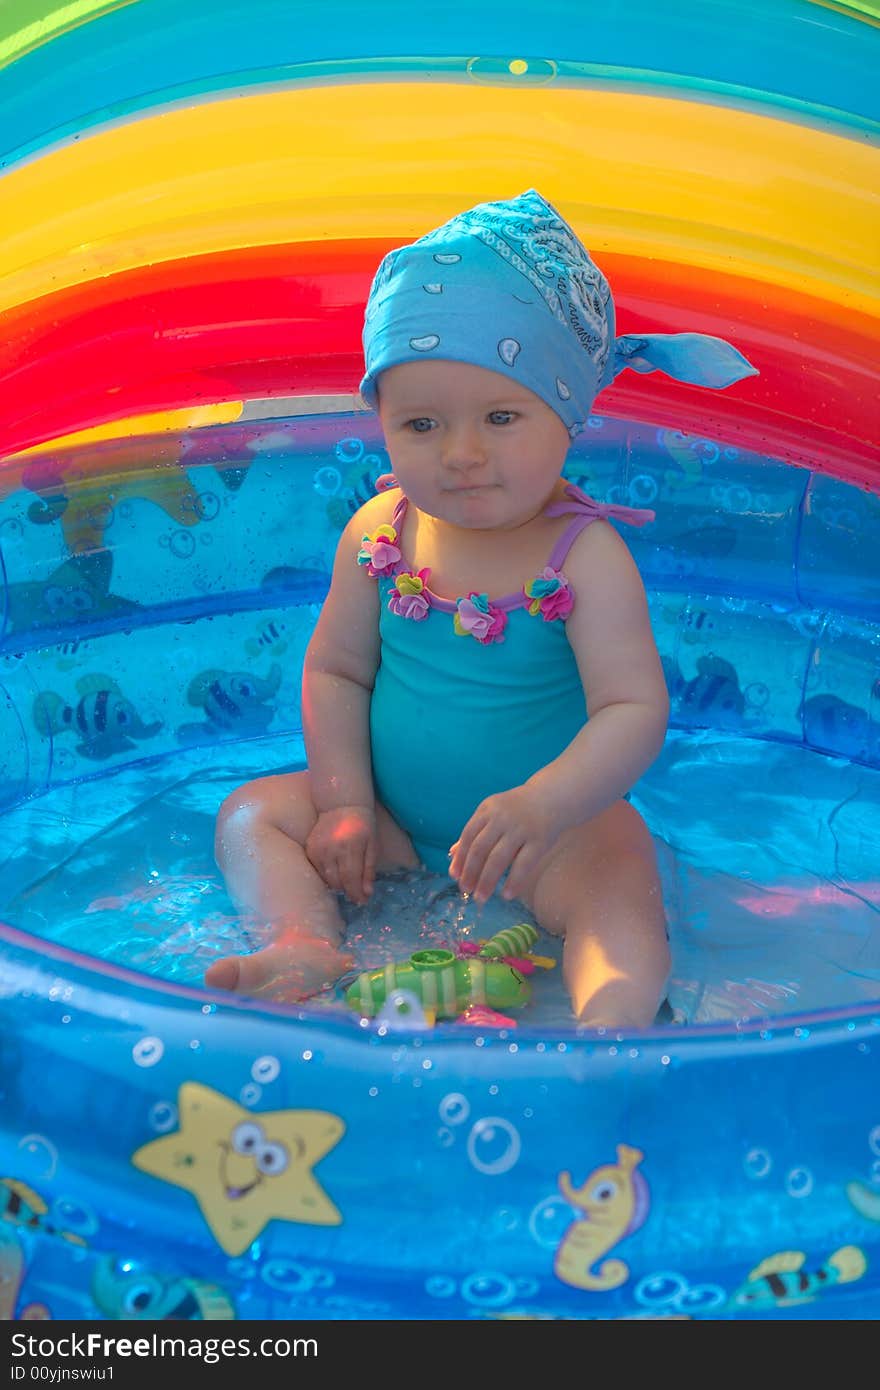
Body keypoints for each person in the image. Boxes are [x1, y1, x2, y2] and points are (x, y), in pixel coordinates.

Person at [205, 189, 757, 1026]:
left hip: (546, 841)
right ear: (381, 421)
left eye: (501, 416)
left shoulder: (586, 557)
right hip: (393, 821)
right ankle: (303, 941)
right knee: (253, 815)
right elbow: (337, 670)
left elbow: (633, 709)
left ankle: (609, 1022)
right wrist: (348, 802)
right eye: (422, 424)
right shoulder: (379, 531)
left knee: (619, 874)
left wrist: (546, 803)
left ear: (566, 415)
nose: (461, 454)